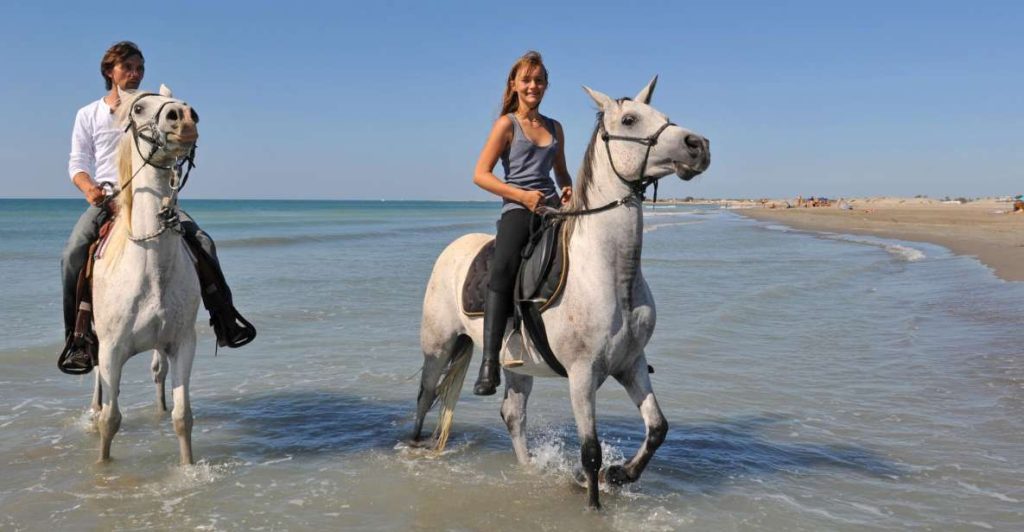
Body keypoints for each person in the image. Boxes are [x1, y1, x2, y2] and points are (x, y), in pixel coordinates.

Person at [59, 41, 253, 373]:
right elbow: (77, 164)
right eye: (127, 68)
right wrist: (89, 188)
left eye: (139, 68)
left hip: (155, 197)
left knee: (203, 242)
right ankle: (78, 339)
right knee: (73, 253)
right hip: (110, 199)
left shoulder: (154, 107)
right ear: (110, 72)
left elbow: (173, 142)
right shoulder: (88, 114)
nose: (135, 74)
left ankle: (224, 320)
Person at [470, 51, 573, 395]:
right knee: (502, 272)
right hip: (518, 209)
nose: (533, 86)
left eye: (539, 80)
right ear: (514, 85)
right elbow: (480, 176)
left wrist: (568, 189)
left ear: (546, 85)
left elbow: (560, 173)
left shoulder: (555, 127)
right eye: (527, 80)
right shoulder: (506, 125)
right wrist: (521, 196)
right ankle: (488, 363)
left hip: (552, 209)